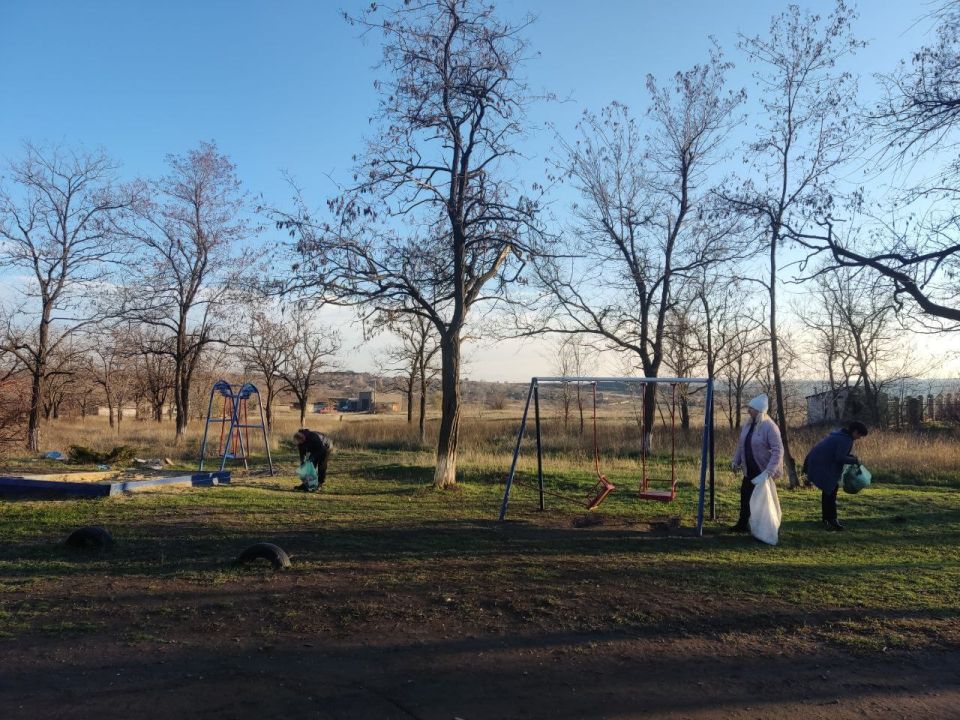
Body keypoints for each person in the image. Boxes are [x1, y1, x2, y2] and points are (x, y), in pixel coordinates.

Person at [730, 394, 784, 533]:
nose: (748, 411)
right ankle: (743, 524)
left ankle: (764, 528)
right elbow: (741, 445)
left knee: (762, 501)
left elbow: (778, 451)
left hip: (762, 471)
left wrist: (769, 471)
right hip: (749, 469)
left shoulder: (770, 427)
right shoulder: (748, 425)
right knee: (745, 497)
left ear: (759, 411)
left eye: (751, 409)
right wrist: (736, 461)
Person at [803, 421, 869, 531]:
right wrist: (855, 460)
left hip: (815, 461)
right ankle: (833, 520)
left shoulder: (840, 434)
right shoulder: (846, 440)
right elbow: (839, 458)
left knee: (828, 490)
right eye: (860, 435)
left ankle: (826, 518)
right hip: (822, 464)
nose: (859, 438)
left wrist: (851, 457)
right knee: (832, 490)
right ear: (855, 432)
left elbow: (839, 454)